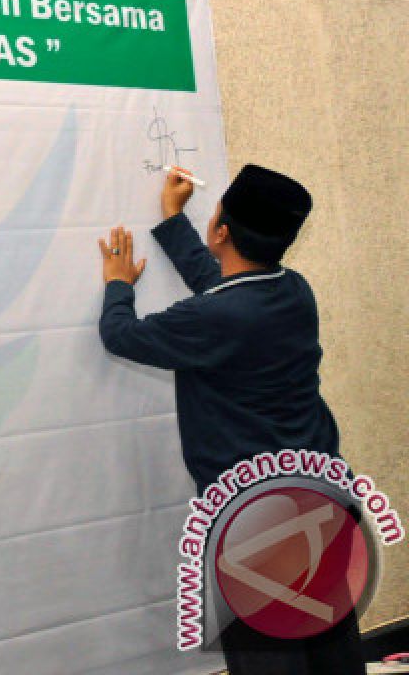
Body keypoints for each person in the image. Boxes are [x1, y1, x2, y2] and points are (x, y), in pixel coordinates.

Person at [96, 164, 362, 674]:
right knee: (332, 651)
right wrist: (173, 221)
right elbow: (219, 286)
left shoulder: (215, 317)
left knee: (268, 659)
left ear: (220, 231)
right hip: (324, 500)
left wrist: (117, 285)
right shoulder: (293, 289)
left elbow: (122, 335)